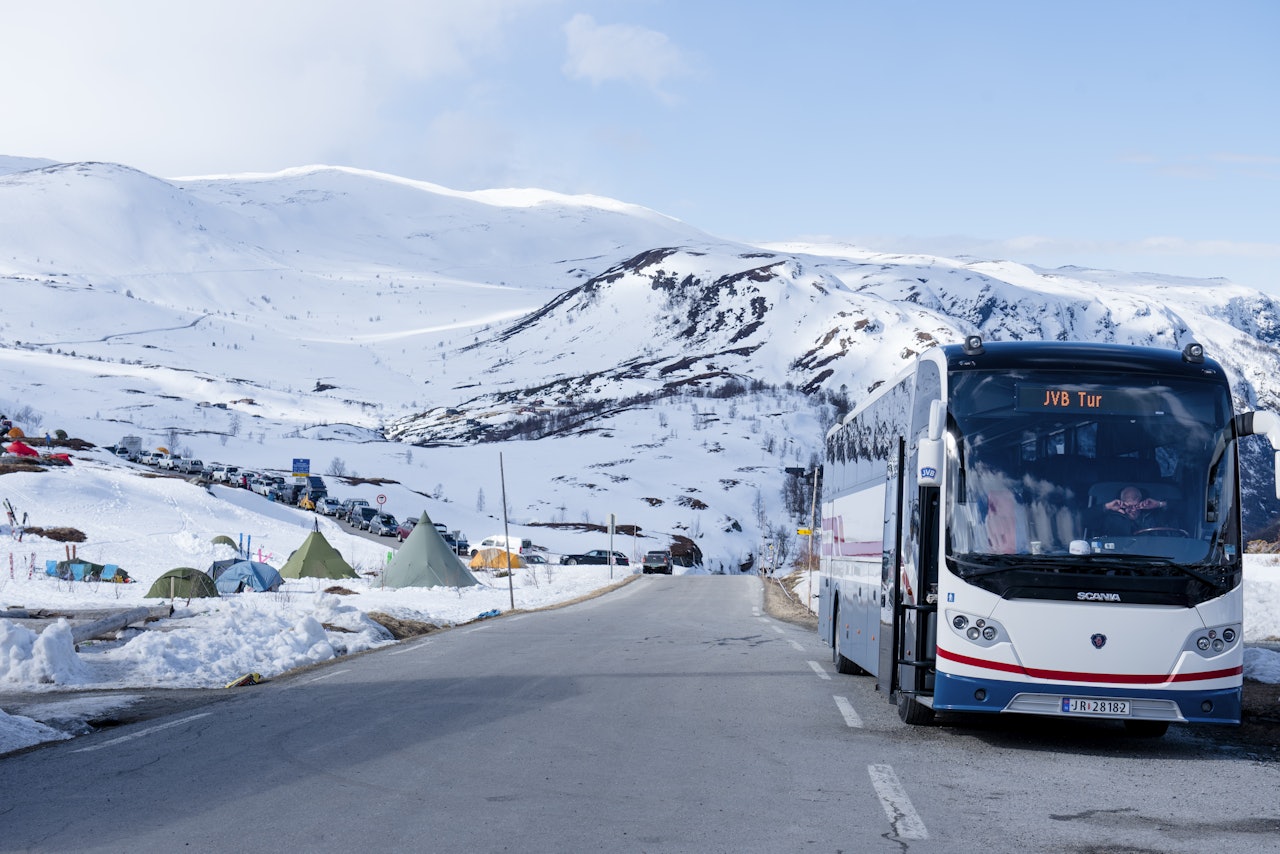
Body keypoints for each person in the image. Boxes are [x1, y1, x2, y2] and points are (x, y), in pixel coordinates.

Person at [1097, 485, 1171, 535]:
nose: (1133, 510)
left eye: (1136, 505)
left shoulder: (1156, 515)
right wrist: (1107, 506)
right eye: (1129, 506)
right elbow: (1085, 519)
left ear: (1141, 502)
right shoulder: (1111, 518)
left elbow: (1182, 509)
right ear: (1122, 504)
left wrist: (1160, 504)